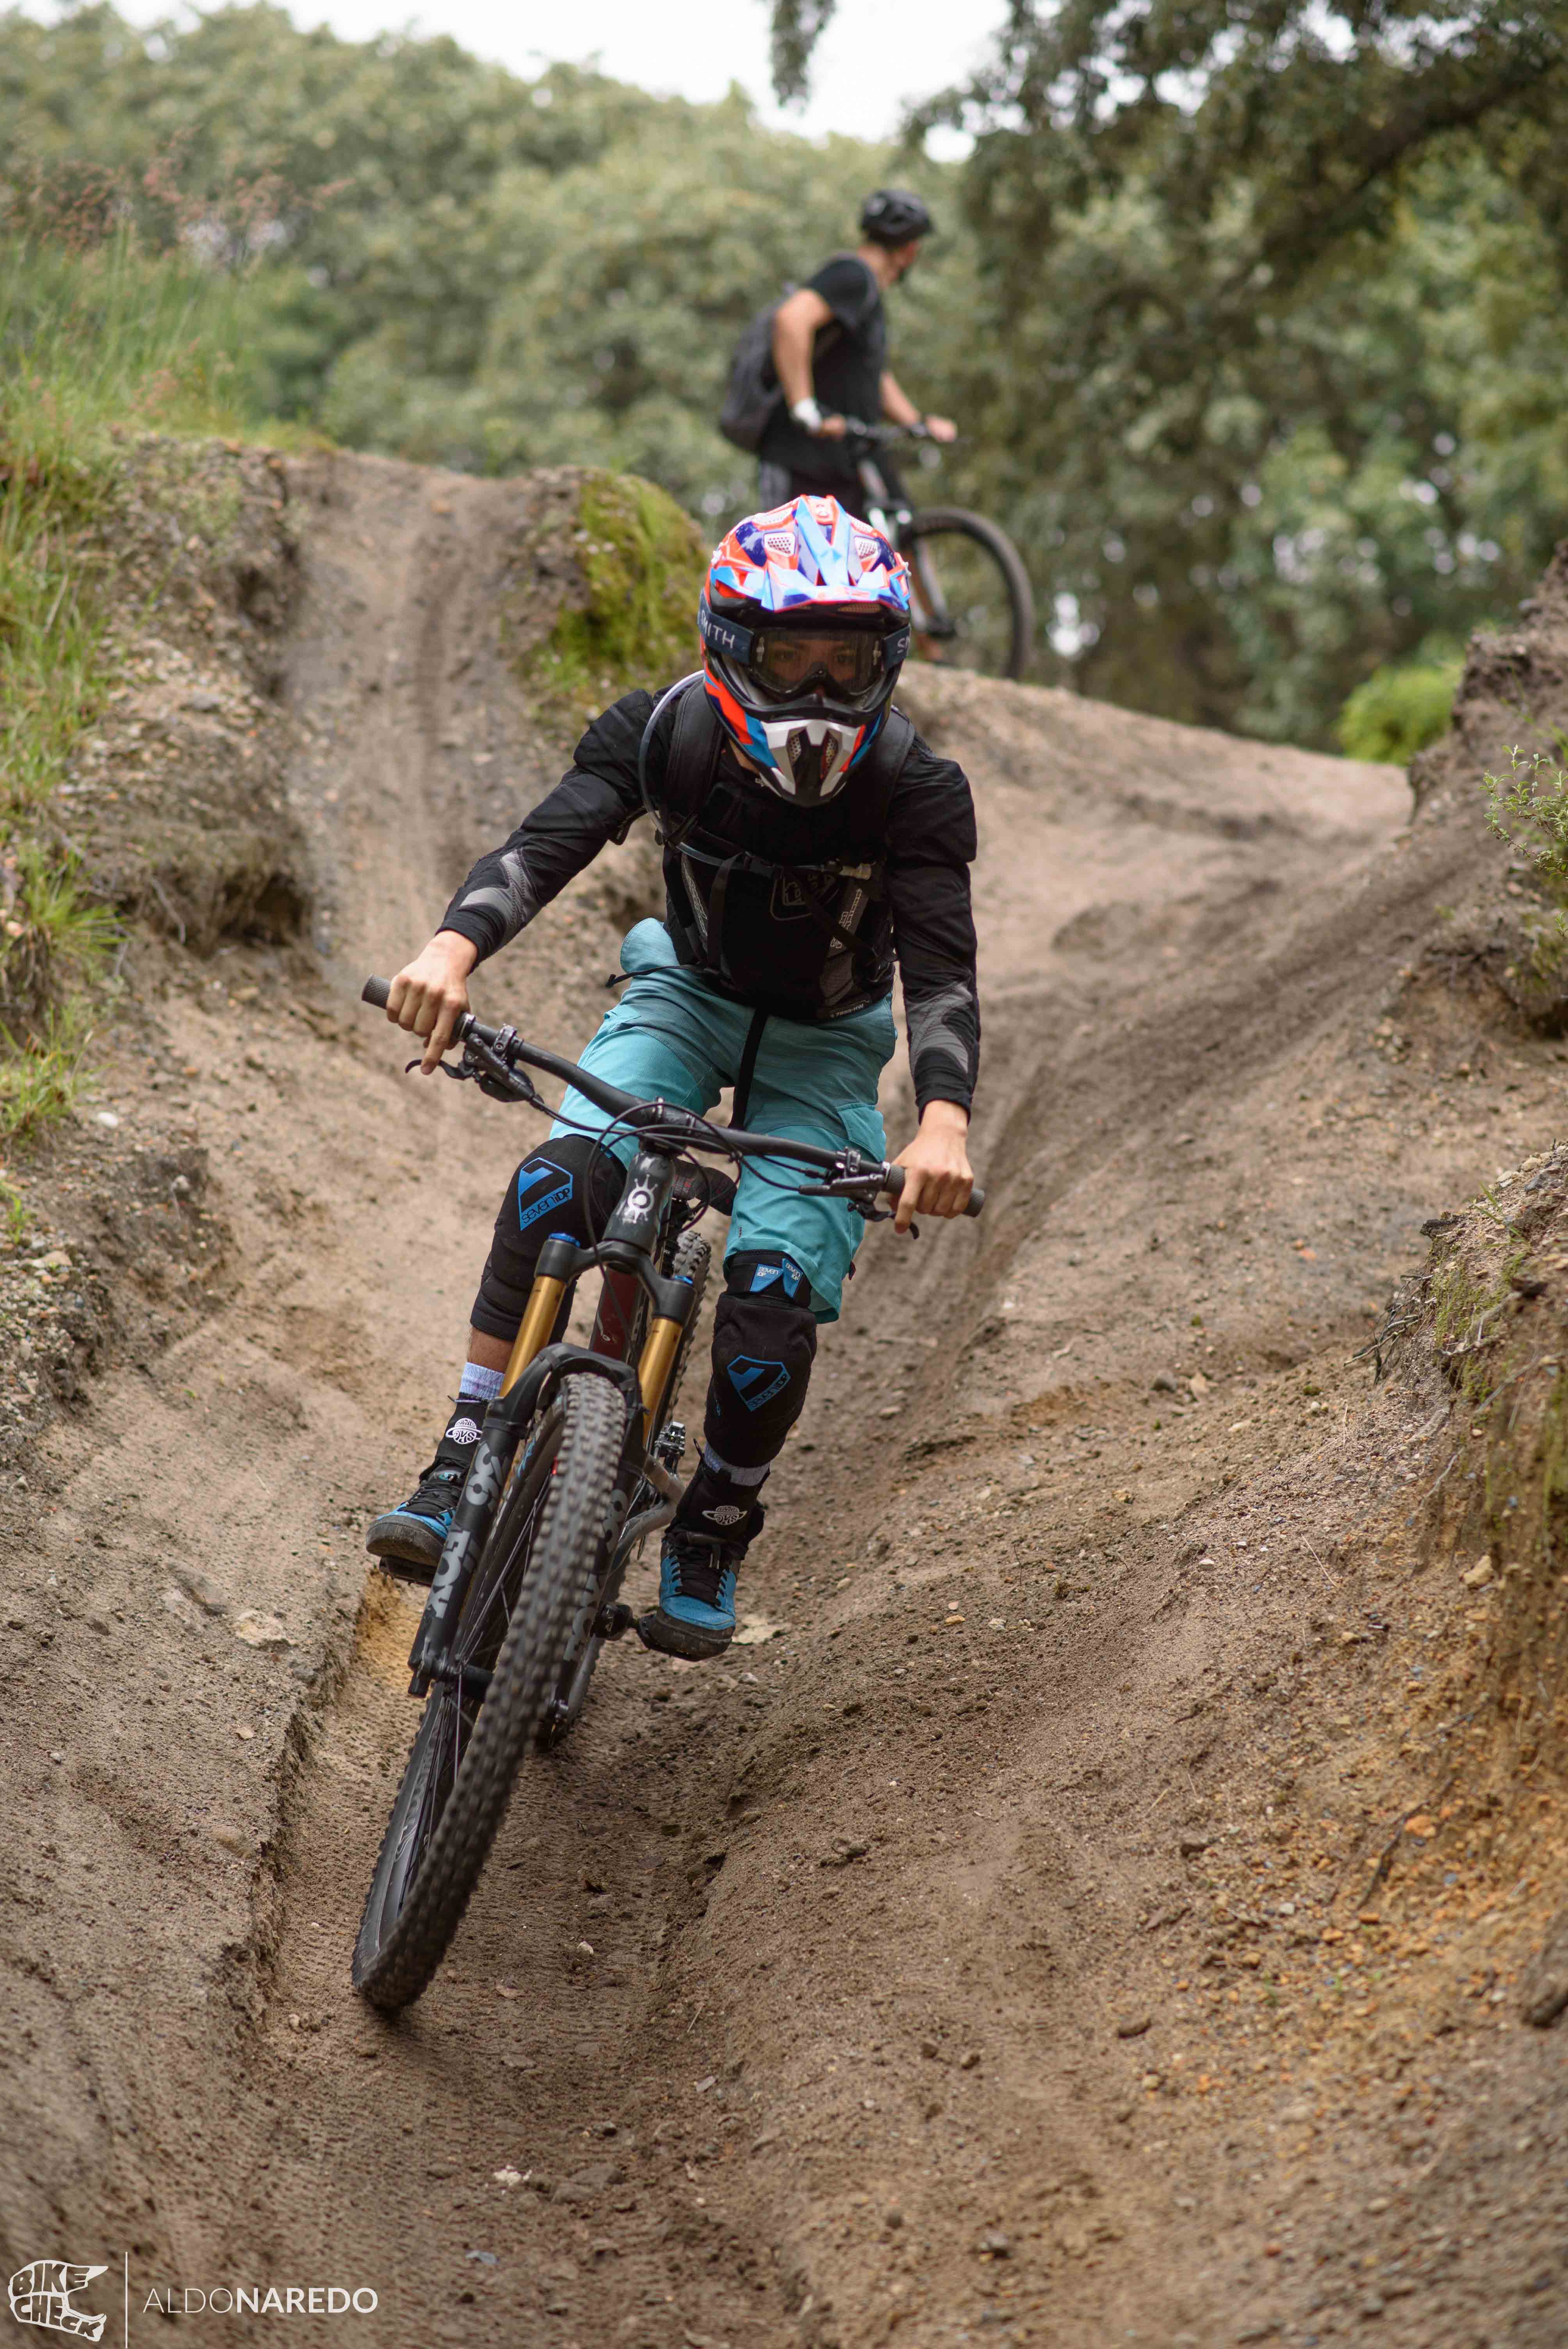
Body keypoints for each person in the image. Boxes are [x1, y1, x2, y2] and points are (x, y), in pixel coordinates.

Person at [367, 493, 979, 1662]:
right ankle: (461, 1450)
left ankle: (713, 1525)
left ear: (886, 662)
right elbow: (544, 844)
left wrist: (941, 1121)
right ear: (730, 645)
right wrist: (449, 951)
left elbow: (943, 971)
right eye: (787, 657)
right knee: (557, 1184)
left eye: (843, 660)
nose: (815, 687)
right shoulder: (667, 731)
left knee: (769, 1305)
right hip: (684, 995)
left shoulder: (915, 785)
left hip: (825, 1044)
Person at [758, 188, 957, 509]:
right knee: (801, 543)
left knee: (899, 521)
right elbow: (791, 320)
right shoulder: (853, 275)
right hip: (805, 458)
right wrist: (805, 408)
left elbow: (875, 377)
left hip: (849, 454)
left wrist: (917, 423)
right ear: (909, 250)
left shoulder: (868, 294)